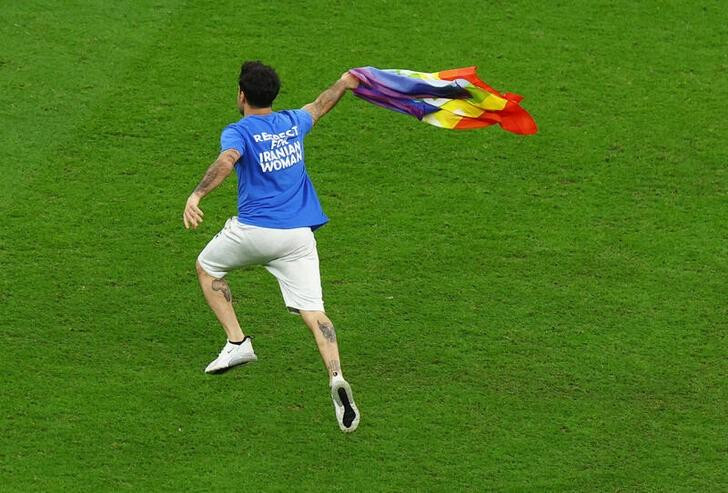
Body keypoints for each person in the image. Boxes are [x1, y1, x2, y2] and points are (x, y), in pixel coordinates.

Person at [182, 61, 360, 432]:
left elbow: (226, 161)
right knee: (315, 313)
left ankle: (237, 342)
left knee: (207, 267)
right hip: (298, 237)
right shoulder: (293, 121)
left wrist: (197, 194)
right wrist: (343, 82)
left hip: (255, 232)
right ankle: (336, 375)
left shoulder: (239, 131)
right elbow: (321, 104)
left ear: (242, 96)